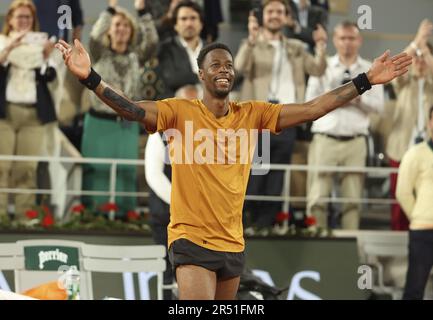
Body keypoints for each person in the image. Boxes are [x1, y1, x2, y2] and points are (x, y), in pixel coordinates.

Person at [56, 36, 411, 299]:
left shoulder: (253, 113)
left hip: (232, 242)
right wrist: (90, 78)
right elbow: (131, 108)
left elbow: (312, 109)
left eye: (228, 65)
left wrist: (364, 80)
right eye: (215, 65)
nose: (224, 70)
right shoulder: (179, 111)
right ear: (201, 74)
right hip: (190, 237)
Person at [235, 0, 327, 234]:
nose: (275, 16)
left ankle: (266, 224)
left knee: (276, 172)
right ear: (262, 16)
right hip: (259, 116)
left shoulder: (296, 47)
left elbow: (318, 69)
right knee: (256, 170)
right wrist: (251, 39)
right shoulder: (253, 44)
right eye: (270, 12)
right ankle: (247, 222)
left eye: (279, 12)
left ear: (287, 17)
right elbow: (239, 68)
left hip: (287, 116)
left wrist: (321, 46)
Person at [81, 0, 158, 217]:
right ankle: (94, 217)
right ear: (109, 29)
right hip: (98, 123)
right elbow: (94, 36)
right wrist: (110, 10)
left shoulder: (136, 57)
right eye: (116, 25)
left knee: (125, 172)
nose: (121, 29)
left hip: (126, 126)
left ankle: (125, 216)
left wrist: (143, 12)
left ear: (132, 31)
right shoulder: (98, 53)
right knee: (97, 171)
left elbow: (151, 42)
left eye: (126, 25)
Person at [305, 21, 384, 230]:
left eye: (351, 38)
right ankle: (316, 245)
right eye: (342, 38)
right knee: (317, 198)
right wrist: (337, 98)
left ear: (359, 40)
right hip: (325, 138)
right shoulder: (323, 67)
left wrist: (358, 99)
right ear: (335, 40)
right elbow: (309, 100)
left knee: (352, 200)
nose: (347, 43)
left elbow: (379, 107)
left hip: (355, 141)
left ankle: (350, 246)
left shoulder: (371, 69)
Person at [0, 0, 57, 220]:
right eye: (20, 16)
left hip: (33, 115)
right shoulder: (2, 42)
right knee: (1, 168)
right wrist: (12, 47)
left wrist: (44, 57)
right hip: (5, 114)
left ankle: (25, 219)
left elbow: (50, 77)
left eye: (28, 17)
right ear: (10, 20)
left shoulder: (41, 45)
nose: (24, 21)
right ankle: (2, 217)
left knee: (26, 169)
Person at [144, 84, 200, 300]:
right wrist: (182, 202)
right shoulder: (160, 133)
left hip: (198, 220)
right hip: (166, 216)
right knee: (167, 275)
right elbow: (154, 175)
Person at [387, 19, 433, 231]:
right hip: (402, 148)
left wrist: (424, 47)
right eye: (417, 58)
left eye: (425, 57)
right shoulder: (403, 82)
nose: (421, 61)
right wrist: (416, 42)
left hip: (428, 151)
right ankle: (399, 234)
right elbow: (396, 67)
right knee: (400, 199)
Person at [396, 105, 433, 300]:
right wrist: (419, 216)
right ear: (429, 123)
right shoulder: (415, 154)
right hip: (423, 232)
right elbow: (403, 192)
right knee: (414, 290)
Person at [157, 0, 204, 98]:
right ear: (175, 25)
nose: (189, 23)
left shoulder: (213, 49)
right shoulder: (166, 48)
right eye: (183, 19)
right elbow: (172, 78)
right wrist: (205, 76)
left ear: (201, 23)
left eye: (193, 18)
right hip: (177, 105)